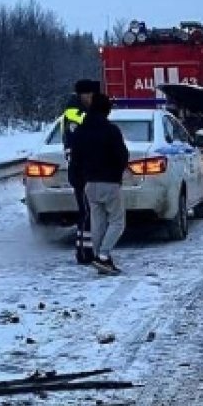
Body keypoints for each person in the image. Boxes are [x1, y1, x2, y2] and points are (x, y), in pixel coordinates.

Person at [70, 93, 130, 275]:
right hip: (110, 182)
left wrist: (80, 177)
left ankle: (100, 256)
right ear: (106, 110)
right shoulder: (111, 130)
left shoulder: (80, 131)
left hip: (89, 183)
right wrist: (119, 170)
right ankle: (103, 256)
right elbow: (122, 155)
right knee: (118, 222)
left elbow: (75, 159)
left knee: (98, 223)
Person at [61, 79, 100, 264]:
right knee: (87, 211)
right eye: (90, 94)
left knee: (87, 211)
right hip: (81, 171)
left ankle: (84, 248)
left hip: (84, 170)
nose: (92, 98)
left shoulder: (79, 111)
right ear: (82, 94)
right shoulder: (74, 114)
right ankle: (85, 252)